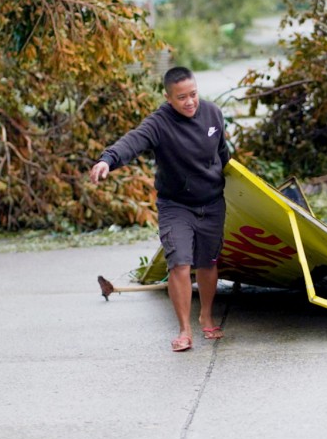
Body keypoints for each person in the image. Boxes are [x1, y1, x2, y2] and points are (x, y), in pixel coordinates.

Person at [89, 66, 231, 352]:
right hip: (176, 204)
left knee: (207, 263)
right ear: (168, 98)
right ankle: (184, 329)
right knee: (179, 262)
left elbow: (223, 154)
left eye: (193, 94)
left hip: (212, 202)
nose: (190, 102)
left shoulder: (213, 113)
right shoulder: (159, 123)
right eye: (181, 98)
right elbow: (133, 141)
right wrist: (108, 160)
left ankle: (205, 315)